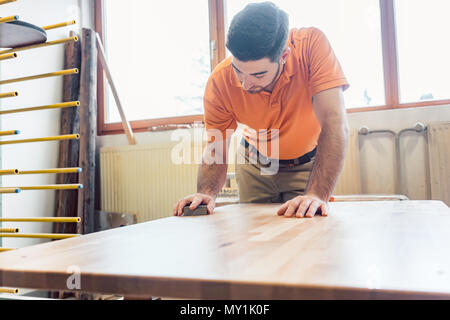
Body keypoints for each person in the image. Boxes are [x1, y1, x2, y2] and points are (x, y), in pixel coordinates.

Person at [174, 1, 349, 218]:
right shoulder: (220, 82)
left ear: (284, 57)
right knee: (257, 239)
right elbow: (217, 145)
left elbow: (334, 123)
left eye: (258, 75)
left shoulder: (311, 46)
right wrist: (206, 193)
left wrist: (316, 194)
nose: (245, 85)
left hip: (307, 166)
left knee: (307, 233)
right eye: (239, 71)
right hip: (255, 165)